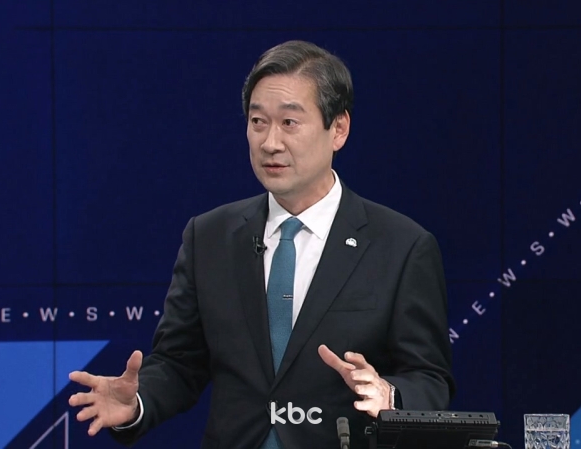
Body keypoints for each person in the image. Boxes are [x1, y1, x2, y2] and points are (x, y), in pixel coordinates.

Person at [68, 40, 455, 449]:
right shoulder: (209, 237)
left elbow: (430, 379)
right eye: (258, 122)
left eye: (289, 122)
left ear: (338, 129)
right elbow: (180, 364)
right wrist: (138, 403)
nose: (270, 142)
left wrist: (390, 395)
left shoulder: (401, 246)